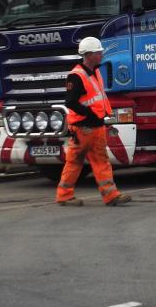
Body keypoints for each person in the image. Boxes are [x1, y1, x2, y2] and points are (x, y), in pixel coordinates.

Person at [55, 36, 132, 207]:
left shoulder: (95, 72)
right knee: (86, 161)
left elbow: (97, 99)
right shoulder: (76, 76)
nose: (101, 54)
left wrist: (105, 119)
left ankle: (105, 196)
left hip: (92, 127)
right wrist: (89, 114)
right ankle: (69, 195)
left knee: (90, 161)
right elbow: (70, 102)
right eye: (98, 52)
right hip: (84, 128)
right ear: (89, 55)